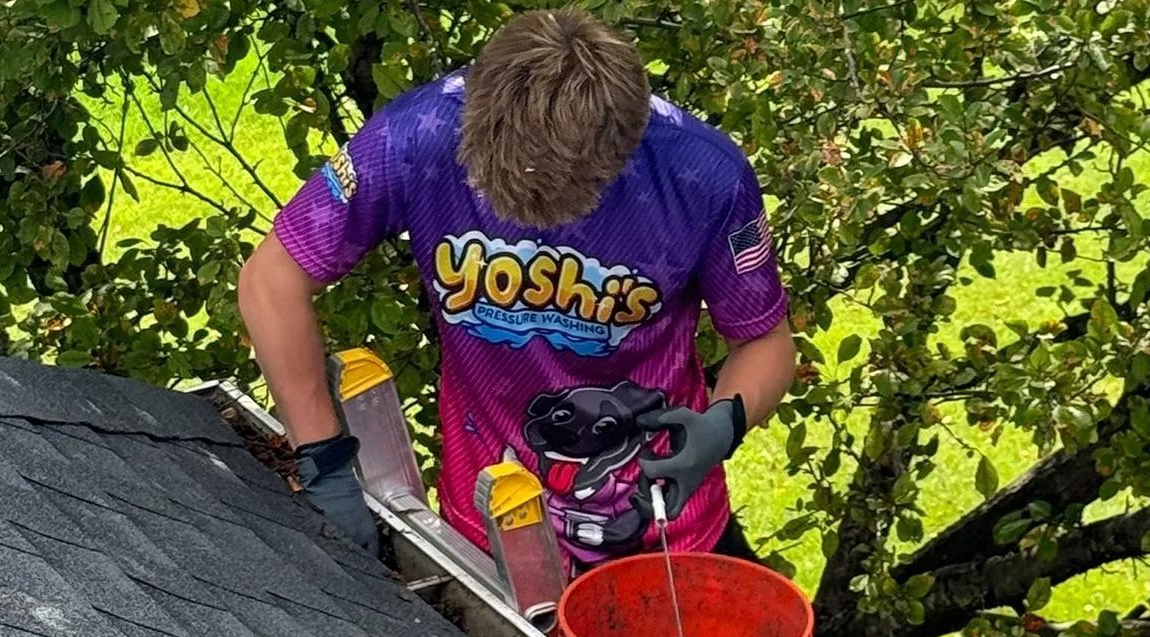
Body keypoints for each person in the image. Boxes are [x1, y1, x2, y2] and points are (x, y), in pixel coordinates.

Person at [238, 8, 796, 570]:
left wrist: (723, 424)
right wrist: (325, 462)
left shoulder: (702, 174)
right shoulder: (416, 137)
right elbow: (272, 280)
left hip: (663, 521)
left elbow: (766, 342)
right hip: (490, 527)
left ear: (622, 155)